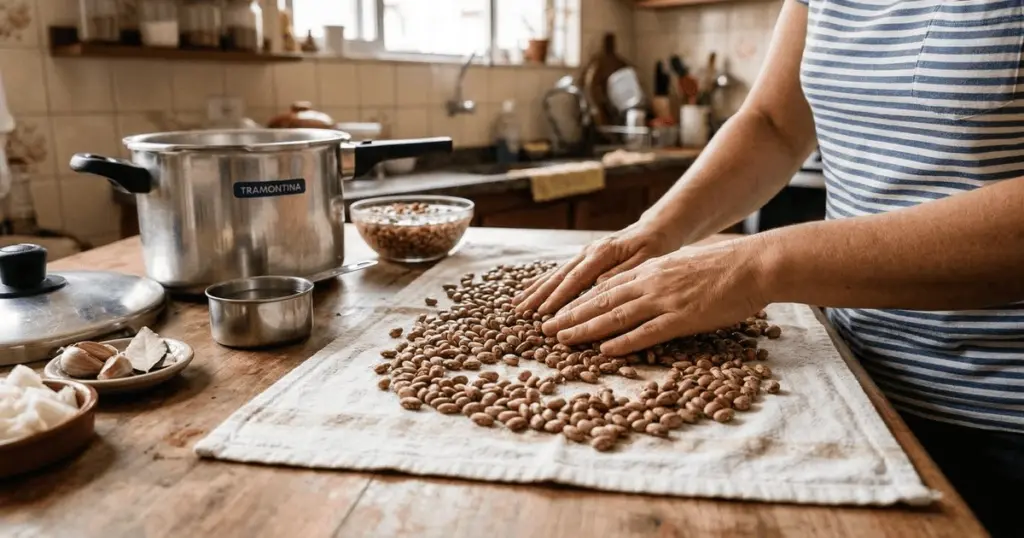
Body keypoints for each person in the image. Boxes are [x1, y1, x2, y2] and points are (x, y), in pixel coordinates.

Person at [513, 1, 1024, 535]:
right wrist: (656, 228)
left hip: (1000, 417)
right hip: (849, 385)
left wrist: (757, 264)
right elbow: (774, 123)